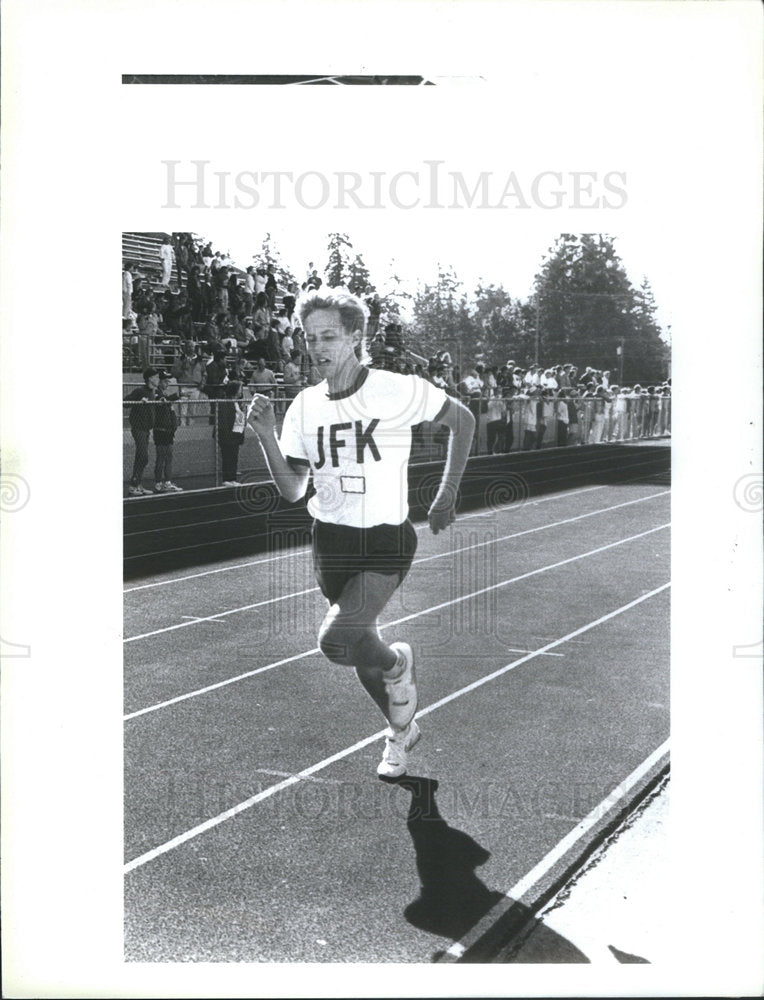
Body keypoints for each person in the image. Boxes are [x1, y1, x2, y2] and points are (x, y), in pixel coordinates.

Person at [246, 289, 475, 779]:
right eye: (309, 338)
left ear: (355, 337)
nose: (317, 346)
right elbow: (291, 491)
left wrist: (448, 491)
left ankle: (397, 664)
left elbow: (464, 419)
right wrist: (265, 435)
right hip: (331, 541)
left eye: (329, 335)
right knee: (357, 644)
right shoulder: (305, 406)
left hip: (385, 539)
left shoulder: (394, 388)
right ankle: (399, 732)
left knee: (336, 640)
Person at [125, 368, 159, 495]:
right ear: (150, 378)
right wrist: (139, 402)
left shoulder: (152, 392)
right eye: (156, 377)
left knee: (142, 457)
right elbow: (125, 402)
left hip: (146, 428)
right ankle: (133, 485)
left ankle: (137, 483)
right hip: (138, 428)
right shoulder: (140, 391)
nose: (158, 379)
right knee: (143, 455)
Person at [152, 371, 183, 492]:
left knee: (168, 456)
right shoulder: (156, 393)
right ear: (159, 381)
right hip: (160, 429)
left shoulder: (163, 393)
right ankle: (159, 482)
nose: (167, 383)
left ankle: (167, 482)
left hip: (169, 429)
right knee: (161, 456)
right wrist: (175, 396)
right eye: (165, 381)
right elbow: (161, 401)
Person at [217, 380, 247, 486]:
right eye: (240, 388)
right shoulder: (226, 402)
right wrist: (227, 434)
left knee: (234, 457)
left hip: (236, 433)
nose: (241, 391)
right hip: (228, 434)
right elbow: (224, 420)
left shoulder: (237, 403)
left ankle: (232, 478)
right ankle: (227, 479)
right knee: (227, 457)